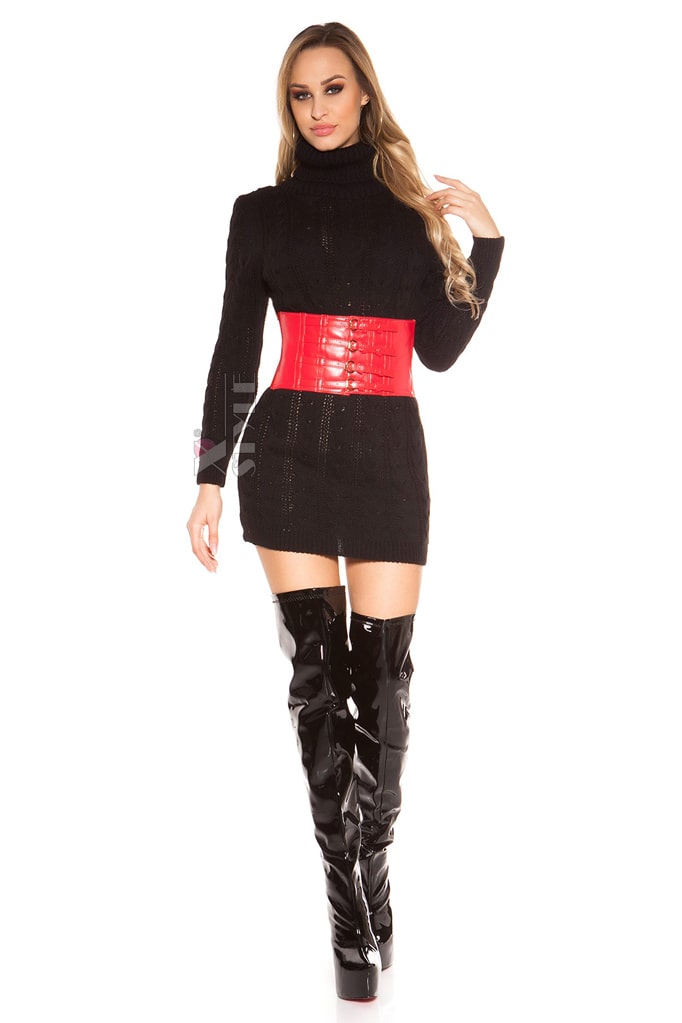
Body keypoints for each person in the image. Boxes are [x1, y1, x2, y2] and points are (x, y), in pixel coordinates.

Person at [187, 21, 504, 1002]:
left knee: (387, 691)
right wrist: (209, 475)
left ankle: (373, 867)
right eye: (301, 93)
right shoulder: (259, 214)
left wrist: (488, 246)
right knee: (318, 690)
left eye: (332, 88)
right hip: (285, 457)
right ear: (288, 107)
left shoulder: (408, 213)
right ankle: (348, 909)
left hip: (386, 459)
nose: (318, 108)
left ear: (364, 92)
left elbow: (438, 350)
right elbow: (236, 349)